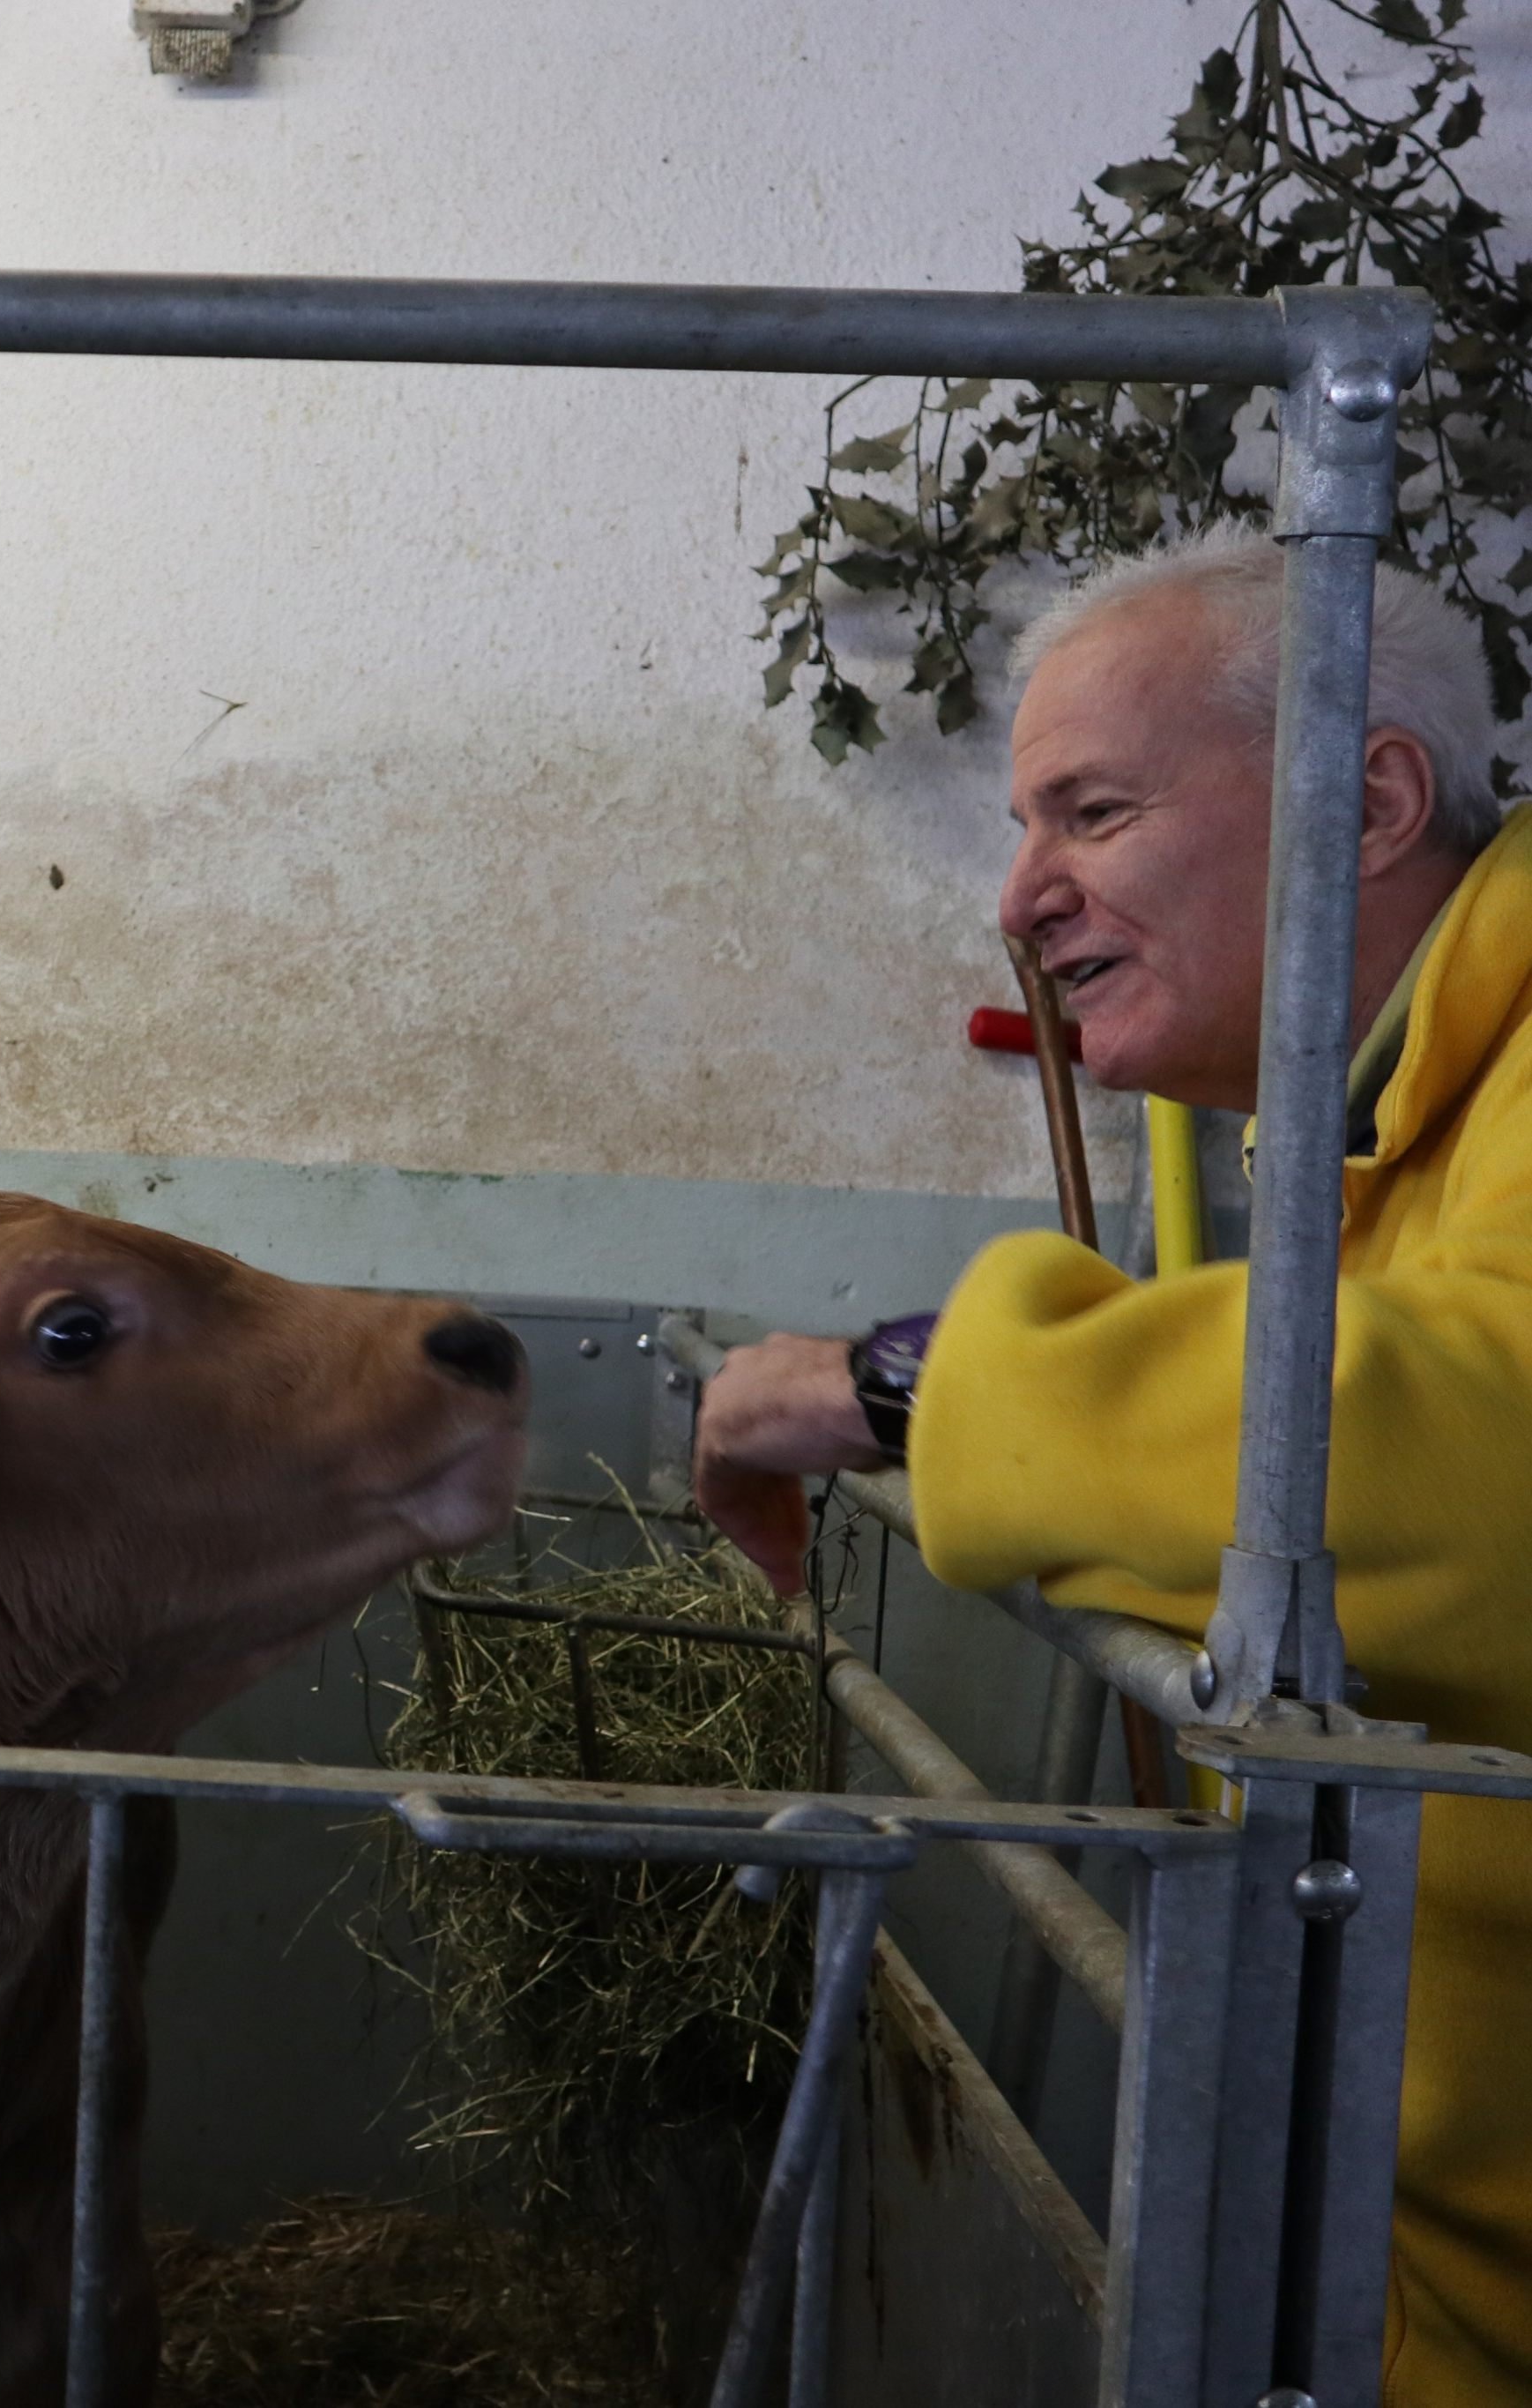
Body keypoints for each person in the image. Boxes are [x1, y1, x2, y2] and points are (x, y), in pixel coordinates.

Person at [693, 526, 1530, 2405]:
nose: (1021, 893)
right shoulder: (1385, 1115)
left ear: (1371, 797)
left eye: (1091, 810)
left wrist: (896, 1384)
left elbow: (1483, 1439)